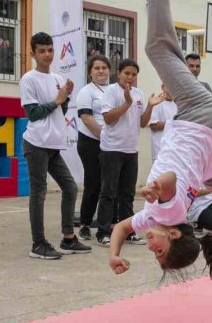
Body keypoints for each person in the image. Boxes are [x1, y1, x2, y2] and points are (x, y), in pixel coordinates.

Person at [108, 0, 212, 280]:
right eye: (158, 250)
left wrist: (114, 254)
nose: (149, 247)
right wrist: (156, 187)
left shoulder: (149, 220)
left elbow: (119, 227)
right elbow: (170, 183)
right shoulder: (166, 209)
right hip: (200, 119)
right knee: (158, 48)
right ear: (173, 234)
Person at [20, 32, 91, 259]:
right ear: (33, 53)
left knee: (70, 188)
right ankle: (38, 244)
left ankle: (68, 238)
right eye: (41, 51)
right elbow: (33, 114)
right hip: (36, 143)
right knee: (38, 193)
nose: (47, 55)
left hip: (52, 145)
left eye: (50, 50)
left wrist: (65, 97)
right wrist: (58, 100)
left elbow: (59, 111)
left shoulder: (58, 79)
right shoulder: (28, 79)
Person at [96, 59, 164, 246]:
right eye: (127, 73)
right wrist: (126, 103)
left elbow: (142, 123)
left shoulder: (139, 93)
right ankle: (103, 231)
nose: (130, 77)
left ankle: (128, 231)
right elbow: (108, 119)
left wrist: (150, 106)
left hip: (131, 149)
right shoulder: (111, 91)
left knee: (127, 193)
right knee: (109, 192)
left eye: (134, 74)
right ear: (118, 74)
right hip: (111, 149)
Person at [75, 54, 111, 241]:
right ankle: (85, 224)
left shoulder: (114, 90)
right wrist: (104, 136)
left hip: (112, 144)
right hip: (91, 141)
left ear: (110, 71)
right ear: (90, 72)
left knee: (110, 185)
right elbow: (87, 118)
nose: (100, 71)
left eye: (104, 67)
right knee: (94, 183)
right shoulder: (86, 92)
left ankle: (108, 223)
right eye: (96, 68)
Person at [148, 83, 177, 161]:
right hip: (160, 151)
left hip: (174, 151)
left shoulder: (177, 105)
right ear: (162, 87)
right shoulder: (157, 103)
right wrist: (174, 124)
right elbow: (153, 126)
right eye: (168, 86)